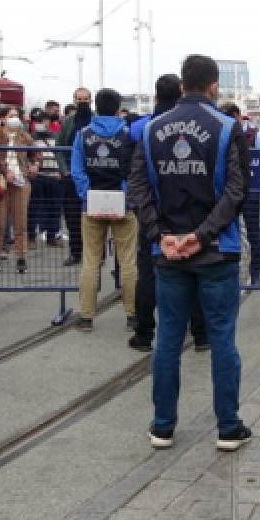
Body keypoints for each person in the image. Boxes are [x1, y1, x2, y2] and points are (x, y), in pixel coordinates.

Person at [130, 54, 251, 452]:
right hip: (217, 251)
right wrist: (202, 235)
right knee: (222, 340)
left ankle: (162, 426)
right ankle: (228, 427)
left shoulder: (149, 130)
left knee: (167, 338)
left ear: (182, 85)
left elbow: (139, 190)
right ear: (213, 86)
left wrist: (160, 234)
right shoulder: (228, 128)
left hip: (168, 253)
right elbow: (237, 192)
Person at [70, 88, 138, 333]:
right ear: (118, 107)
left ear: (95, 107)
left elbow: (77, 171)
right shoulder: (128, 135)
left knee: (90, 261)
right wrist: (125, 195)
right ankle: (132, 315)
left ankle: (86, 316)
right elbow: (133, 171)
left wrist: (88, 196)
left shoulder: (82, 135)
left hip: (92, 204)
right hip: (122, 203)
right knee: (128, 261)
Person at [129, 74, 183, 352]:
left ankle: (144, 333)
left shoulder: (141, 127)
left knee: (147, 272)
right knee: (191, 269)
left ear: (155, 95)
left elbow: (134, 172)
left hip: (151, 208)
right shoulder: (193, 124)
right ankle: (197, 333)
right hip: (185, 206)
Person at [0, 109, 39, 275]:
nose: (14, 119)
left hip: (21, 181)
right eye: (11, 116)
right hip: (0, 182)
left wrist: (35, 165)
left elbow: (36, 154)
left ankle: (21, 258)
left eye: (16, 116)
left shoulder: (25, 136)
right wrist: (3, 170)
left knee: (20, 222)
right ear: (3, 118)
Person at [221, 102, 260, 284]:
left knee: (253, 233)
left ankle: (256, 275)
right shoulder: (222, 133)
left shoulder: (256, 135)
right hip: (229, 193)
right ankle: (233, 274)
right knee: (230, 232)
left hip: (250, 192)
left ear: (237, 116)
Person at [56, 88, 92, 266]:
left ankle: (94, 255)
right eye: (79, 99)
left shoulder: (95, 121)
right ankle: (75, 252)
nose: (82, 102)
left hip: (91, 179)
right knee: (71, 217)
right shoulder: (68, 122)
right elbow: (59, 146)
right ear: (74, 101)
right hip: (70, 177)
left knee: (92, 218)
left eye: (85, 99)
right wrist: (64, 168)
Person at [28, 108, 64, 247]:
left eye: (43, 121)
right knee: (34, 208)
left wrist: (61, 171)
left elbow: (60, 155)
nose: (41, 123)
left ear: (49, 122)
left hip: (54, 176)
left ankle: (52, 236)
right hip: (38, 177)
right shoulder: (30, 138)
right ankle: (31, 237)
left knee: (54, 208)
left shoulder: (56, 137)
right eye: (38, 121)